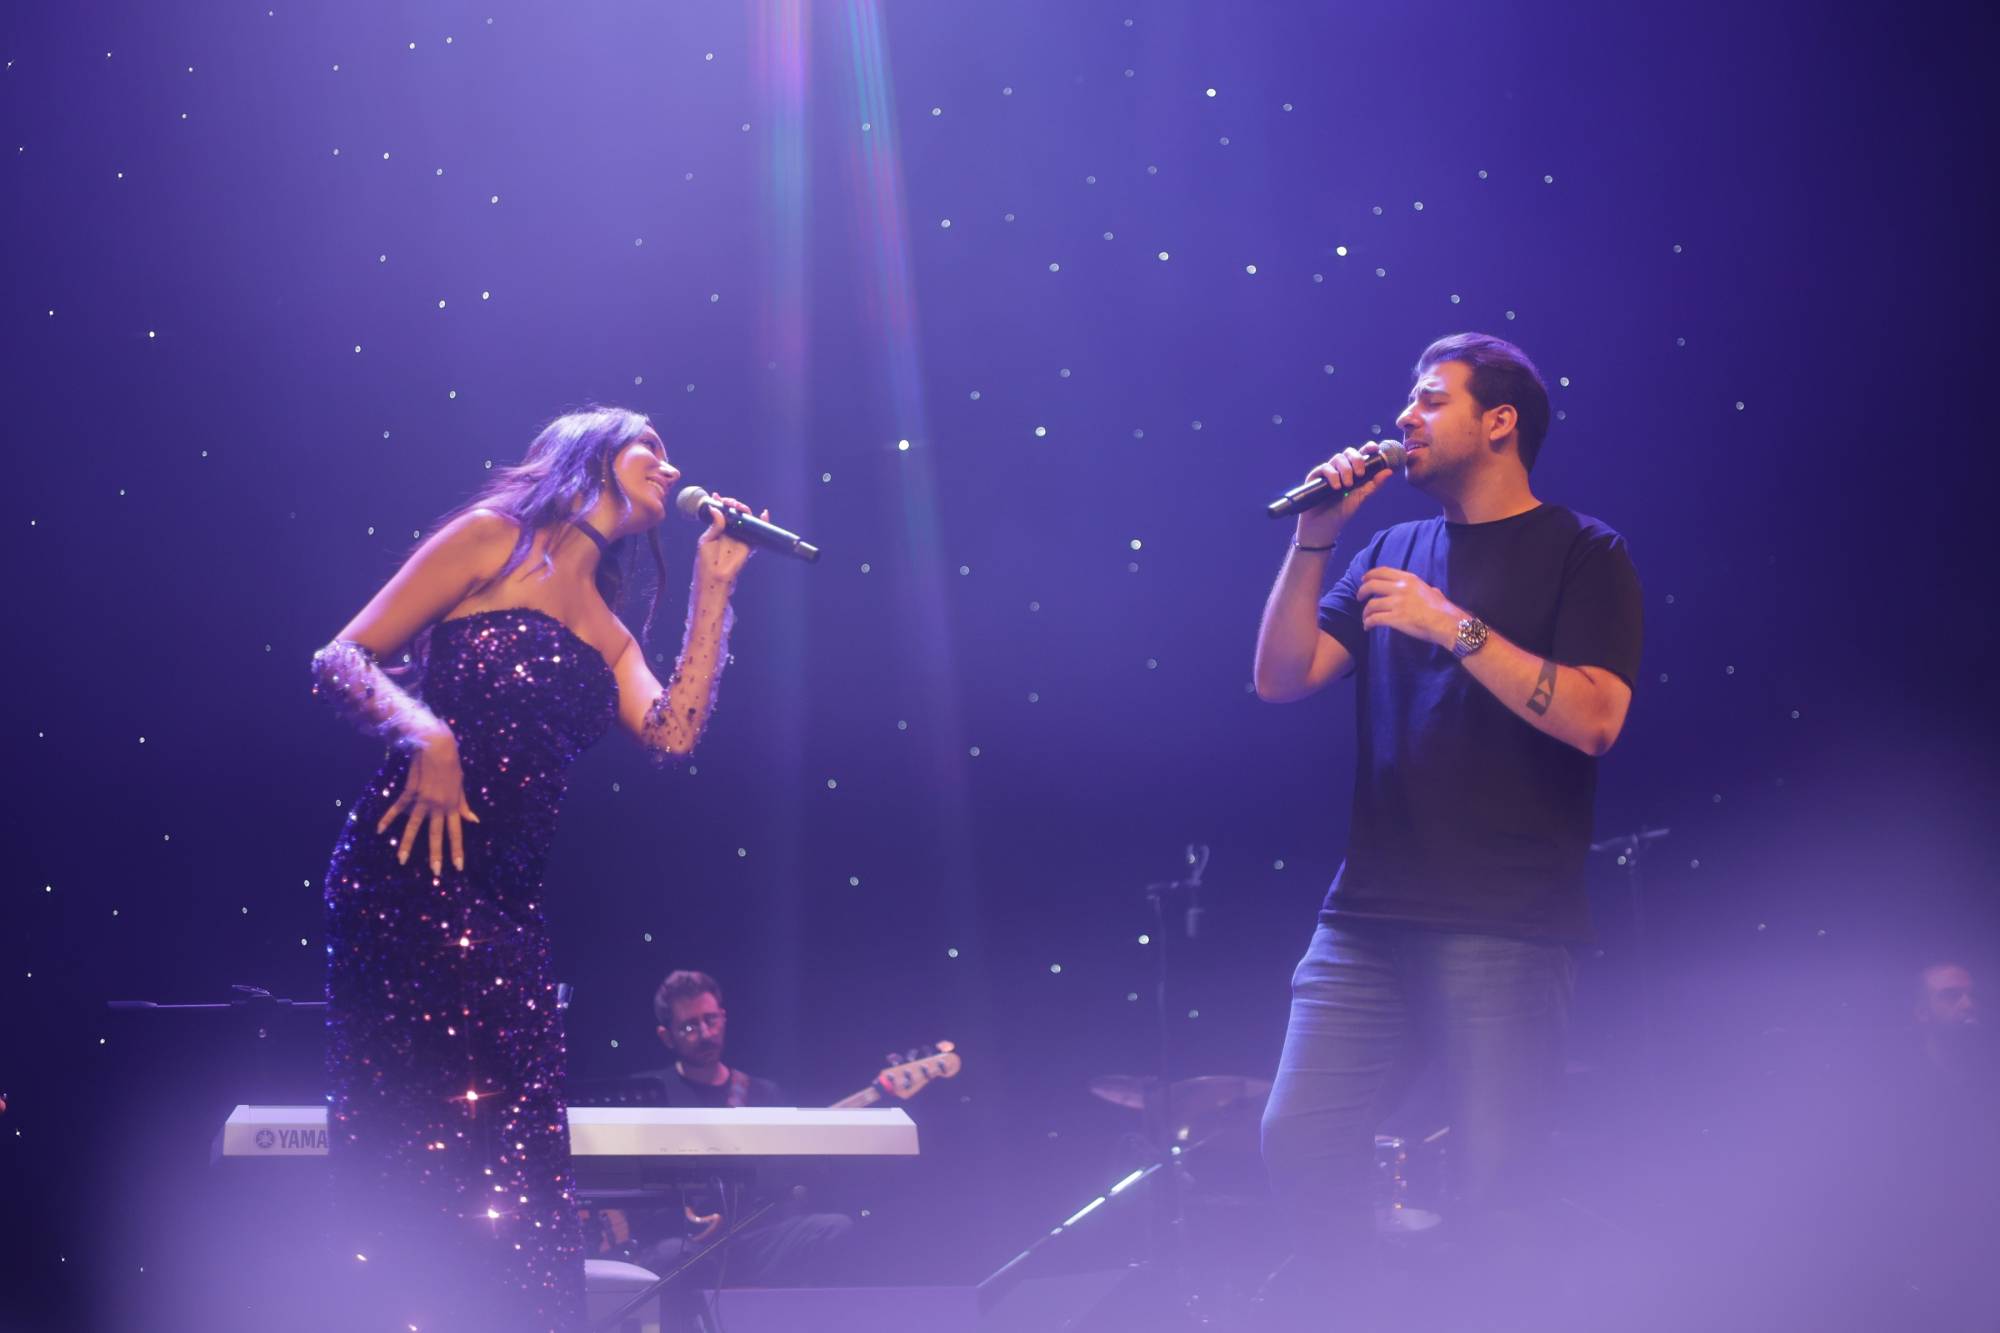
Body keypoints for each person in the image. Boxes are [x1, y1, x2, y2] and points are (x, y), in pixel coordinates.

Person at [311, 407, 765, 1332]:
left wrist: (715, 585)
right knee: (407, 1136)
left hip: (507, 908)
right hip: (406, 874)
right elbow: (342, 657)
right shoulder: (492, 538)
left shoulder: (611, 632)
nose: (668, 464)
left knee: (517, 1165)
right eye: (649, 445)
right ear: (591, 452)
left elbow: (674, 732)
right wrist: (425, 733)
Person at [1251, 334, 1644, 1317]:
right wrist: (1315, 537)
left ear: (1498, 421)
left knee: (1496, 1192)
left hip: (1503, 919)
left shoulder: (1583, 551)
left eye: (1430, 399)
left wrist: (1450, 625)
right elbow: (1281, 677)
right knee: (1299, 1140)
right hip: (1365, 917)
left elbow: (1596, 719)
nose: (1404, 419)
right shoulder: (1388, 551)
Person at [610, 970, 854, 1288]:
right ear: (666, 1036)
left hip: (753, 1240)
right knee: (673, 1254)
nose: (705, 1033)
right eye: (690, 1026)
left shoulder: (762, 1094)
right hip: (684, 1246)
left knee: (834, 1228)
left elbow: (788, 1183)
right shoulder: (651, 1094)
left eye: (711, 1019)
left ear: (723, 1018)